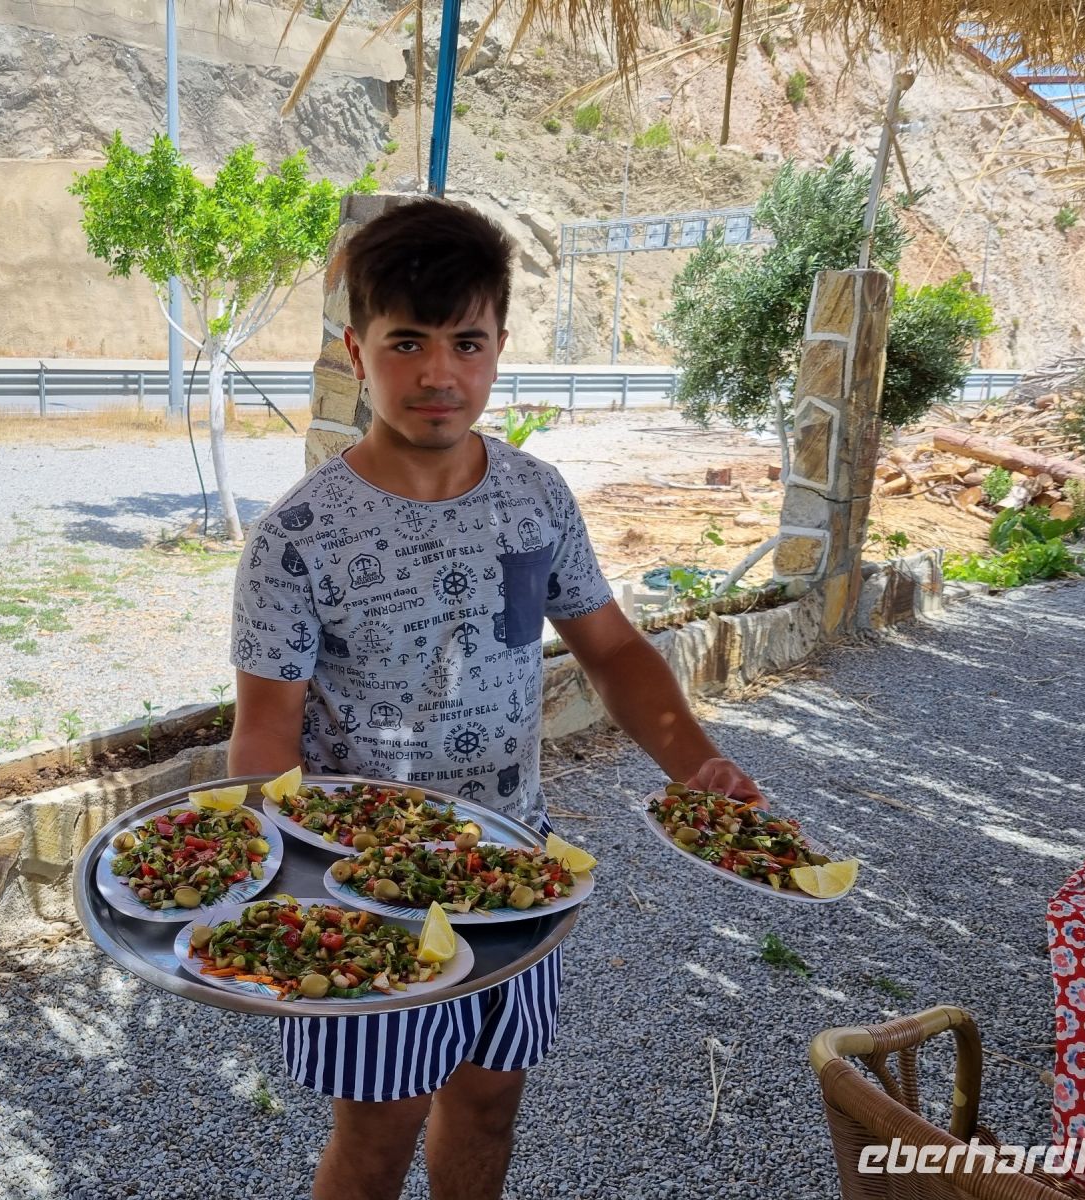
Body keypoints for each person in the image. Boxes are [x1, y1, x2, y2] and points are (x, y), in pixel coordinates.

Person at [226, 197, 763, 1200]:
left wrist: (699, 764)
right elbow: (265, 727)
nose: (439, 373)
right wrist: (264, 870)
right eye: (407, 342)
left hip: (516, 867)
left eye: (466, 341)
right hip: (367, 886)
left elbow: (610, 649)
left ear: (499, 345)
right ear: (357, 347)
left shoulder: (537, 497)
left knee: (487, 1106)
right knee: (377, 1134)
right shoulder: (297, 535)